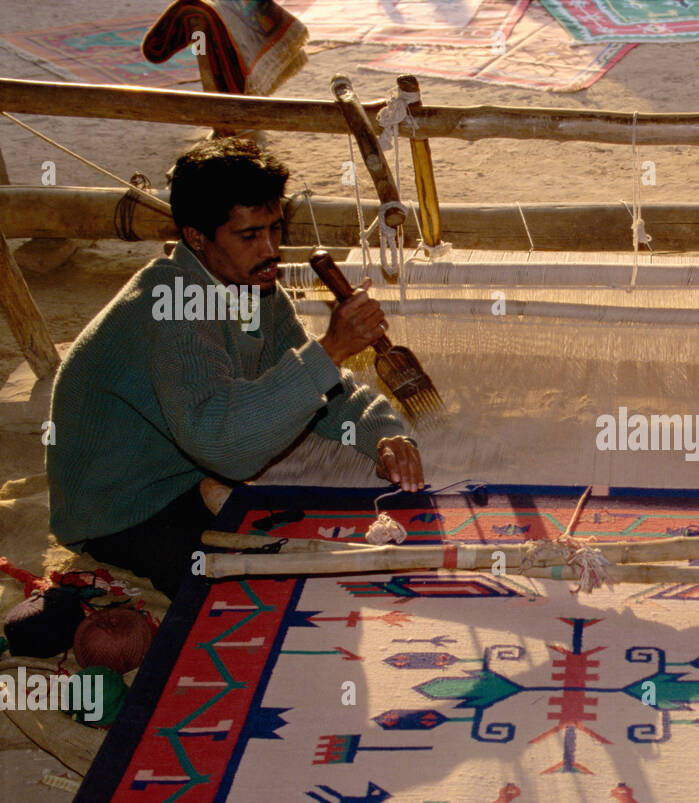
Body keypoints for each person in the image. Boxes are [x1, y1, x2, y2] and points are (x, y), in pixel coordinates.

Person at [47, 138, 424, 598]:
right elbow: (226, 448)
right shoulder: (173, 306)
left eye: (274, 229)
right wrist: (331, 349)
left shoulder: (252, 290)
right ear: (196, 237)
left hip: (186, 477)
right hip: (118, 508)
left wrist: (383, 434)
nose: (270, 250)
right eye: (249, 236)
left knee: (316, 542)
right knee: (253, 590)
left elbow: (323, 386)